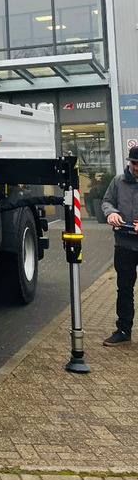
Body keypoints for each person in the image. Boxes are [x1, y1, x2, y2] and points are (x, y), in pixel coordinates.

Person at [101, 146, 138, 345]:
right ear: (129, 162)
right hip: (124, 244)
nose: (137, 168)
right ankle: (123, 331)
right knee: (124, 288)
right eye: (134, 164)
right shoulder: (118, 181)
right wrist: (111, 213)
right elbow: (106, 201)